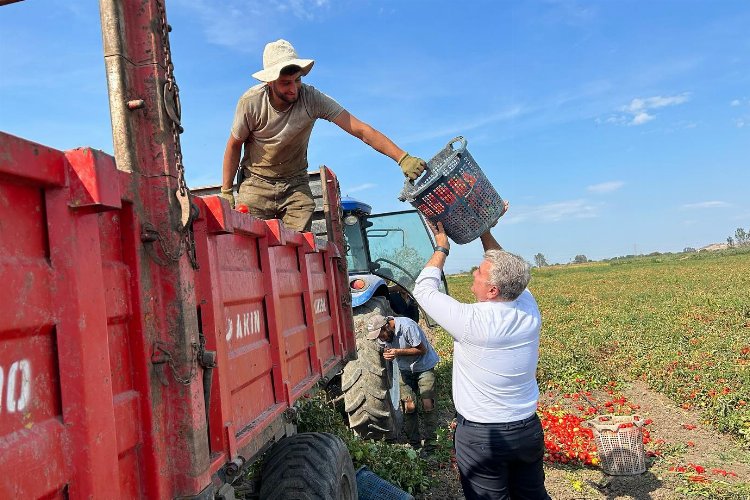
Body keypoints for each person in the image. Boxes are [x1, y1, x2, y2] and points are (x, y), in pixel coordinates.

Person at [412, 211, 551, 499]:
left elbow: (424, 289)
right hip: (526, 429)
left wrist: (441, 248)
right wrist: (483, 229)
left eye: (478, 272)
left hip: (483, 436)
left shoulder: (470, 321)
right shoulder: (527, 307)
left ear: (491, 290)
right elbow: (504, 265)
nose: (473, 274)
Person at [220, 39, 427, 231]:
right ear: (270, 82)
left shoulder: (312, 99)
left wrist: (402, 158)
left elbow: (361, 130)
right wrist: (227, 191)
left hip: (295, 184)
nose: (294, 89)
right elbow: (234, 145)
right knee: (250, 245)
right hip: (256, 183)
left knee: (297, 250)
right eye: (286, 83)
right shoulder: (251, 103)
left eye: (297, 80)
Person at [365, 313, 440, 452]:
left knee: (427, 403)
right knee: (409, 406)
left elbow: (422, 350)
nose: (381, 339)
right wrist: (387, 354)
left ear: (387, 326)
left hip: (424, 366)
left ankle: (431, 444)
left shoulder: (407, 326)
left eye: (381, 335)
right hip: (405, 369)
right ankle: (415, 445)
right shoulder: (383, 335)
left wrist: (398, 352)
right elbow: (387, 349)